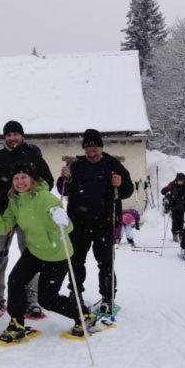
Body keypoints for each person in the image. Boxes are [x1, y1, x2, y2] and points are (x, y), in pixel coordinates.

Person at [0, 162, 89, 343]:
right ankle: (17, 323)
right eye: (16, 178)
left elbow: (67, 227)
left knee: (47, 299)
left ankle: (83, 314)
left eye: (24, 177)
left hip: (57, 253)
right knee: (15, 281)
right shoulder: (15, 201)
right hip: (34, 251)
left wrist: (63, 220)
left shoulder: (46, 198)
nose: (20, 181)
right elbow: (4, 227)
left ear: (32, 180)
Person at [0, 120, 54, 317]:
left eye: (16, 134)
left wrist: (31, 196)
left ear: (22, 135)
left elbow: (48, 181)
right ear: (5, 137)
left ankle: (32, 298)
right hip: (4, 215)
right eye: (9, 134)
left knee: (30, 256)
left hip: (28, 215)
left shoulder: (33, 156)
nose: (12, 138)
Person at [57, 129, 134, 314]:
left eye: (95, 149)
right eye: (88, 150)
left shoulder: (113, 164)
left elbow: (128, 190)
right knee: (76, 260)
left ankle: (108, 297)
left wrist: (120, 183)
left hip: (104, 221)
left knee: (106, 262)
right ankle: (75, 294)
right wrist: (63, 178)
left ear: (101, 147)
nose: (91, 154)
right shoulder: (77, 165)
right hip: (78, 221)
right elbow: (63, 190)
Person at [161, 173, 185, 242]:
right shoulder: (172, 184)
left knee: (181, 221)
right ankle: (175, 234)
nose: (180, 182)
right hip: (174, 206)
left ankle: (181, 234)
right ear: (177, 180)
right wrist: (165, 190)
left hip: (182, 206)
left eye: (182, 181)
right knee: (175, 221)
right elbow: (164, 191)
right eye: (179, 181)